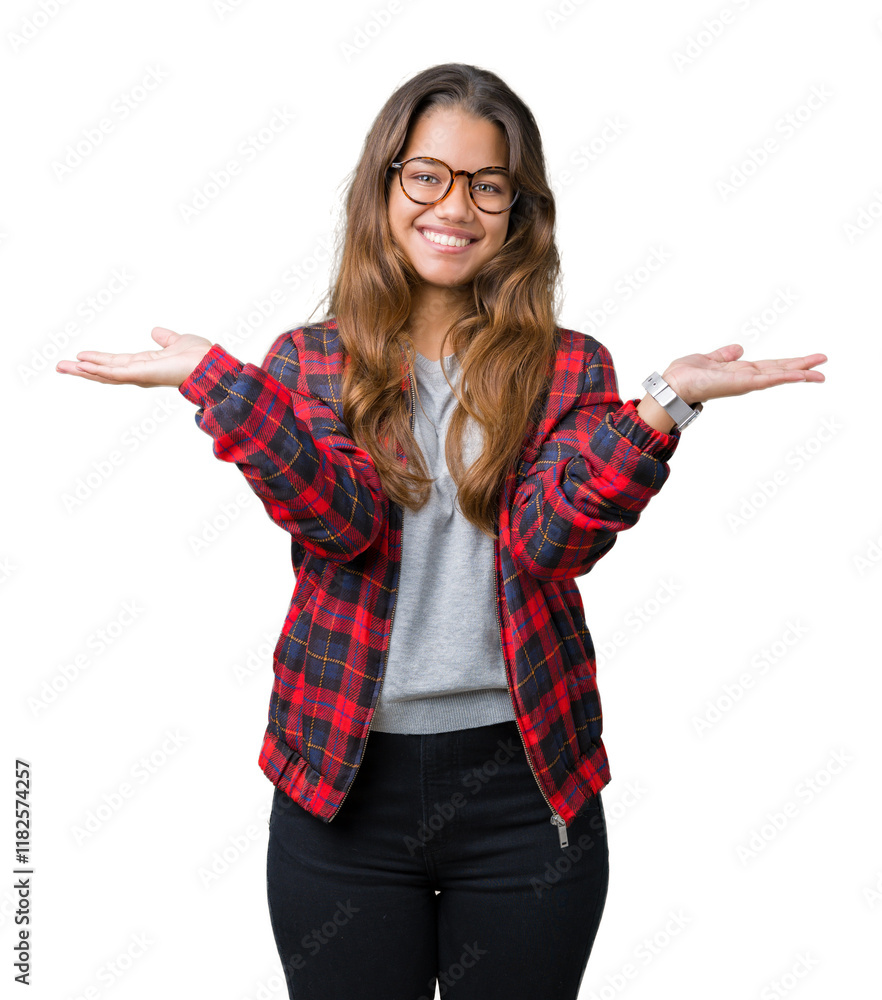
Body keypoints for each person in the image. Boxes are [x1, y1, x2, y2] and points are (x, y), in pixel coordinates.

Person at [56, 62, 826, 1000]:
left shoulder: (567, 366)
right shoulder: (309, 360)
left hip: (522, 785)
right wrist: (219, 383)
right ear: (386, 185)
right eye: (428, 174)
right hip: (341, 787)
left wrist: (662, 409)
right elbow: (339, 522)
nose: (453, 206)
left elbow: (553, 544)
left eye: (486, 184)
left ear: (515, 210)